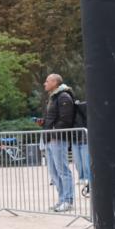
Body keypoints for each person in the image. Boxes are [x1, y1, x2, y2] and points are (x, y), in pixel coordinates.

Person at [41, 73, 75, 212]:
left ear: (55, 82)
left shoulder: (63, 96)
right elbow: (52, 118)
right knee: (54, 172)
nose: (45, 83)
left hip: (57, 138)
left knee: (63, 171)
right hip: (49, 138)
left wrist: (54, 132)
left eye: (47, 81)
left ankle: (68, 200)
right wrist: (43, 123)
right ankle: (61, 199)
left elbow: (66, 119)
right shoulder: (53, 97)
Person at [72, 99, 91, 187]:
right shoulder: (71, 113)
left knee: (85, 160)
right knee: (77, 161)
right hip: (75, 139)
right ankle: (81, 177)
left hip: (84, 139)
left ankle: (87, 177)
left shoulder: (82, 108)